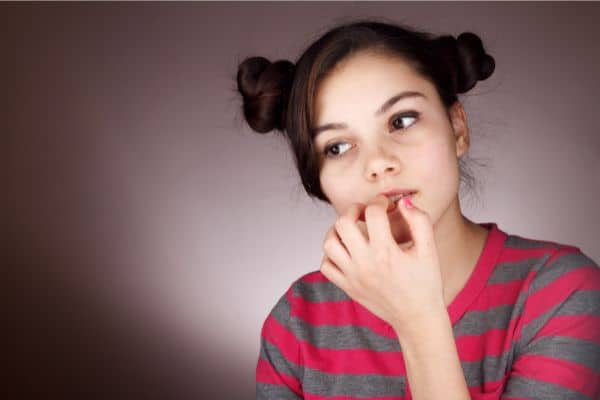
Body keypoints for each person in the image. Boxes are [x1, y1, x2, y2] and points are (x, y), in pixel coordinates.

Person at [235, 19, 600, 400]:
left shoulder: (563, 293)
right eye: (337, 147)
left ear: (458, 129)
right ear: (318, 181)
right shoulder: (296, 322)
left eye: (401, 121)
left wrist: (418, 321)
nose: (378, 163)